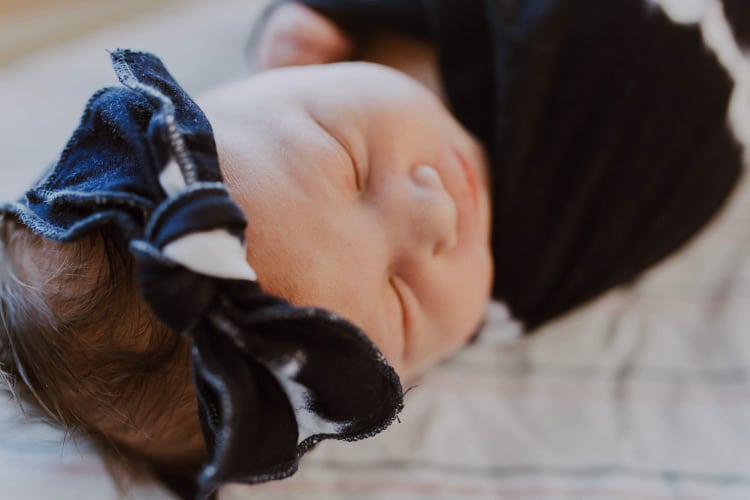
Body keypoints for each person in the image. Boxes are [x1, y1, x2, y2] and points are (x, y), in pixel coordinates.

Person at [0, 0, 745, 498]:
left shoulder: (321, 39)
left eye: (346, 159)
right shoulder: (545, 254)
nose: (431, 212)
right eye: (400, 294)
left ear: (264, 80)